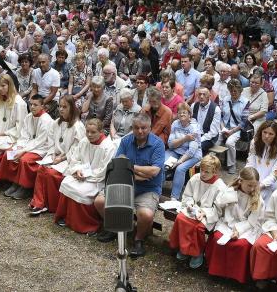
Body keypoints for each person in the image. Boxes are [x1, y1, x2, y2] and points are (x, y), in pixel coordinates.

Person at [95, 114, 165, 257]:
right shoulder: (126, 141)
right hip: (125, 182)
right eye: (136, 128)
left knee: (145, 214)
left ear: (150, 128)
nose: (140, 131)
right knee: (99, 202)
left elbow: (154, 171)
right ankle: (114, 229)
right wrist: (142, 173)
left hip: (148, 188)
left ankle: (139, 239)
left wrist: (130, 166)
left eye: (144, 128)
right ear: (132, 128)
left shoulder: (158, 144)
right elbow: (119, 163)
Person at [55, 118, 117, 234]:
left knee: (81, 191)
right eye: (87, 131)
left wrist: (86, 176)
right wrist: (77, 171)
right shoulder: (84, 141)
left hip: (96, 180)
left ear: (101, 131)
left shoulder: (109, 147)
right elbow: (75, 159)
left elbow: (103, 170)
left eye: (93, 132)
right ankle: (67, 218)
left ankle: (87, 223)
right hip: (81, 175)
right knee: (66, 183)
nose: (89, 135)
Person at [205, 167, 264, 283]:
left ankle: (236, 275)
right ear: (241, 181)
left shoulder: (258, 199)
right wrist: (228, 198)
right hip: (227, 223)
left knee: (241, 245)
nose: (252, 189)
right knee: (218, 238)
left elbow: (253, 221)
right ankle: (217, 271)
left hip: (246, 227)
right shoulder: (230, 191)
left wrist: (238, 230)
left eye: (254, 185)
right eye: (249, 185)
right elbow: (219, 205)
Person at [28, 96, 85, 216]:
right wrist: (53, 154)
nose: (61, 109)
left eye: (65, 107)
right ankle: (38, 202)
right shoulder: (56, 123)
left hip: (68, 159)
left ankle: (51, 205)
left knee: (51, 173)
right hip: (55, 155)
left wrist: (62, 158)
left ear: (72, 108)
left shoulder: (78, 126)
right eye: (59, 106)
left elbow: (77, 149)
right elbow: (51, 141)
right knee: (41, 169)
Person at [168, 155, 227, 269]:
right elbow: (188, 195)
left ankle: (197, 253)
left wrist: (204, 212)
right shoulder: (196, 178)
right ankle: (184, 248)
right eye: (201, 170)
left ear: (215, 172)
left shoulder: (220, 187)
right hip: (193, 209)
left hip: (208, 215)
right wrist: (189, 204)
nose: (203, 174)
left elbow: (219, 209)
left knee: (197, 227)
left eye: (207, 172)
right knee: (181, 218)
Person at [0, 95, 56, 200]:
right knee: (9, 153)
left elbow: (39, 141)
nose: (32, 107)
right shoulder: (29, 116)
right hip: (27, 145)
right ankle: (14, 182)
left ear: (42, 106)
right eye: (31, 104)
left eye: (35, 105)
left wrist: (23, 151)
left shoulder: (47, 121)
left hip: (41, 149)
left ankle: (25, 188)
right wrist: (19, 146)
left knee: (24, 160)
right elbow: (24, 134)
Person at [165, 103, 203, 200]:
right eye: (179, 112)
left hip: (193, 155)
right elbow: (170, 144)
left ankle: (174, 197)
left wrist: (180, 161)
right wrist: (184, 139)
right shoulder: (175, 124)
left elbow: (191, 151)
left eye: (184, 112)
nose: (181, 114)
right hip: (176, 151)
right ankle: (156, 190)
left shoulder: (194, 128)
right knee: (162, 163)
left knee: (180, 169)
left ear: (189, 115)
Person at [246, 121, 277, 205]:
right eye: (264, 132)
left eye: (271, 134)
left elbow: (275, 174)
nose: (266, 136)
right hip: (255, 174)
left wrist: (261, 185)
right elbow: (250, 163)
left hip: (271, 181)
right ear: (261, 131)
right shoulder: (254, 142)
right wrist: (248, 177)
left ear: (276, 136)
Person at [221, 79, 247, 174]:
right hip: (224, 127)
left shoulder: (245, 102)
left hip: (237, 129)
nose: (233, 93)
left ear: (240, 91)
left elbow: (244, 122)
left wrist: (231, 131)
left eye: (235, 91)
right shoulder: (225, 99)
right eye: (231, 90)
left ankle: (232, 165)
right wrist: (223, 128)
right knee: (215, 140)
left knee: (229, 142)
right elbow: (221, 116)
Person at [192, 86, 222, 153]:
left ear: (209, 96)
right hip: (196, 135)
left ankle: (198, 162)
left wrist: (200, 139)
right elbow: (192, 122)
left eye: (204, 94)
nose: (201, 97)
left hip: (209, 138)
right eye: (200, 94)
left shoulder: (216, 109)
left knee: (197, 147)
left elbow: (213, 132)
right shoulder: (194, 105)